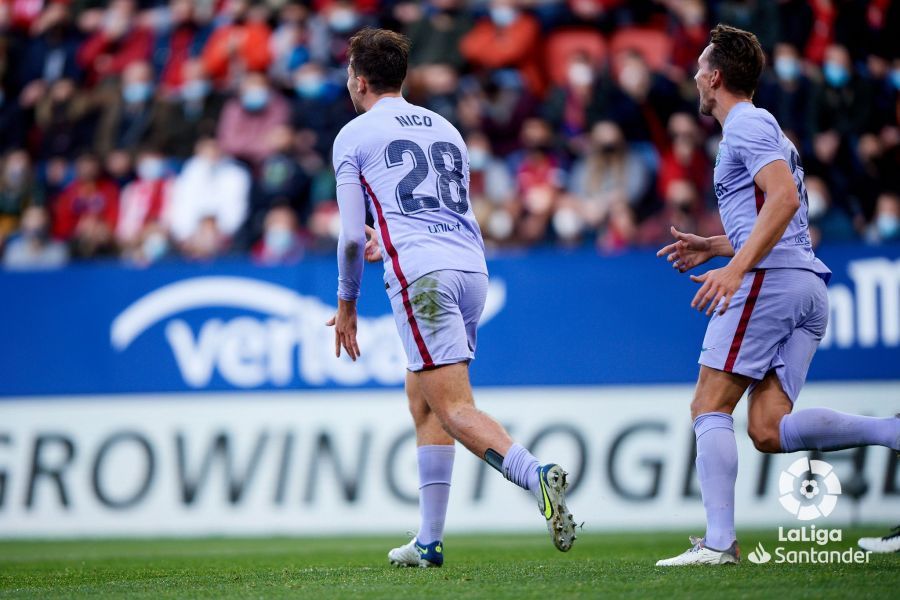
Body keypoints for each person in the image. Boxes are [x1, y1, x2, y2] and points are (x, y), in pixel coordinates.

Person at [328, 28, 577, 569]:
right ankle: (428, 541)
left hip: (425, 279)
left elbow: (348, 237)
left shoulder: (354, 135)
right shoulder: (445, 128)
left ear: (360, 80)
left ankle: (536, 474)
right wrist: (389, 237)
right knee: (423, 398)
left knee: (454, 407)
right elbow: (435, 212)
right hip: (470, 270)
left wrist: (347, 304)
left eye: (349, 72)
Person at [655, 24, 900, 567]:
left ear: (715, 78)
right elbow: (775, 213)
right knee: (768, 429)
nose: (694, 76)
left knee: (708, 405)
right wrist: (716, 246)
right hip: (803, 284)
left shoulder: (746, 124)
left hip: (770, 281)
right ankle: (892, 431)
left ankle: (719, 544)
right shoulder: (761, 129)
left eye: (700, 67)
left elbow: (784, 200)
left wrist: (736, 268)